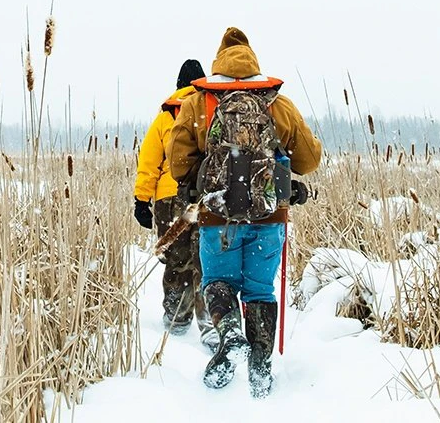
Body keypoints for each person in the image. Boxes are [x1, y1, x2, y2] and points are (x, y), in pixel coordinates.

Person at [167, 27, 321, 399]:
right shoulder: (275, 104)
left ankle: (231, 335)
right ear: (253, 62)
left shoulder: (199, 103)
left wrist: (203, 177)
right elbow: (309, 160)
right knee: (259, 290)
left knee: (218, 282)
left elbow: (177, 163)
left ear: (219, 61)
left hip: (217, 216)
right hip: (269, 217)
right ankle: (261, 368)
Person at [134, 59, 208, 338]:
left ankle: (176, 321)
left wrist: (141, 200)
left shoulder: (167, 116)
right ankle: (210, 322)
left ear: (178, 85)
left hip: (168, 197)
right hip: (204, 196)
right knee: (205, 259)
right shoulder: (210, 112)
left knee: (178, 260)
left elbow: (149, 161)